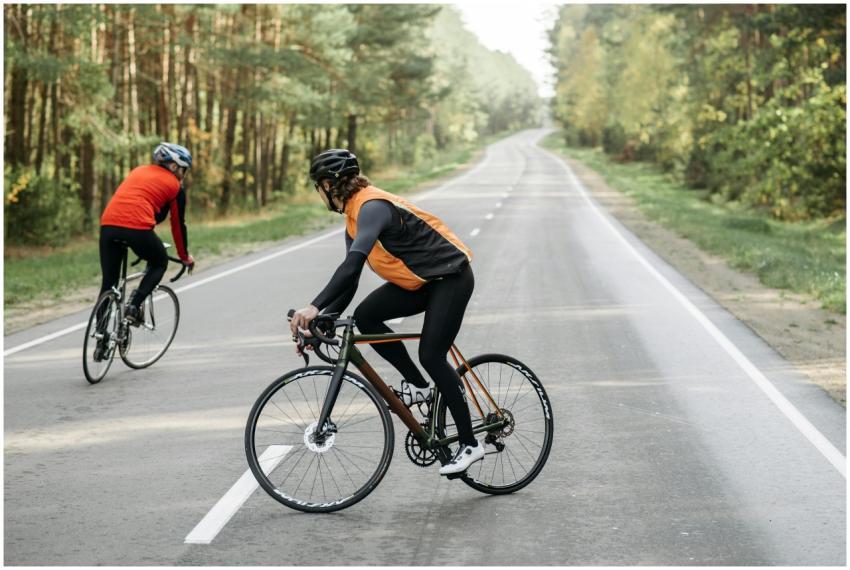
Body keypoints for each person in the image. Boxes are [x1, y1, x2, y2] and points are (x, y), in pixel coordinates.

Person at [290, 148, 483, 476]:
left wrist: (314, 306)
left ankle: (470, 443)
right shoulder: (353, 218)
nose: (318, 193)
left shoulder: (372, 206)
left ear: (328, 184)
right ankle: (420, 386)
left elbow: (352, 266)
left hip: (450, 277)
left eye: (317, 186)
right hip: (422, 282)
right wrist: (320, 321)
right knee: (366, 316)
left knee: (432, 354)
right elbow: (349, 283)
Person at [97, 142, 195, 337]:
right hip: (137, 228)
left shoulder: (138, 171)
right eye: (184, 170)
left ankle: (100, 335)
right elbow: (178, 225)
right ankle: (133, 305)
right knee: (160, 261)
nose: (183, 176)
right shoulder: (175, 187)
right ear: (174, 166)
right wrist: (184, 257)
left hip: (108, 225)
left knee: (109, 283)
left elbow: (143, 204)